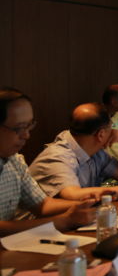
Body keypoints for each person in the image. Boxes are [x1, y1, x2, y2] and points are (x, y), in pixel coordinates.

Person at [0, 87, 96, 236]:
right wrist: (64, 221)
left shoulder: (14, 160)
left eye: (29, 125)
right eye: (19, 128)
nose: (26, 135)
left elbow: (42, 205)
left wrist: (84, 205)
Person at [30, 103, 118, 200]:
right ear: (101, 134)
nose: (114, 132)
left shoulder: (95, 151)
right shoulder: (58, 156)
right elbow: (73, 195)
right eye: (111, 128)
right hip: (37, 228)